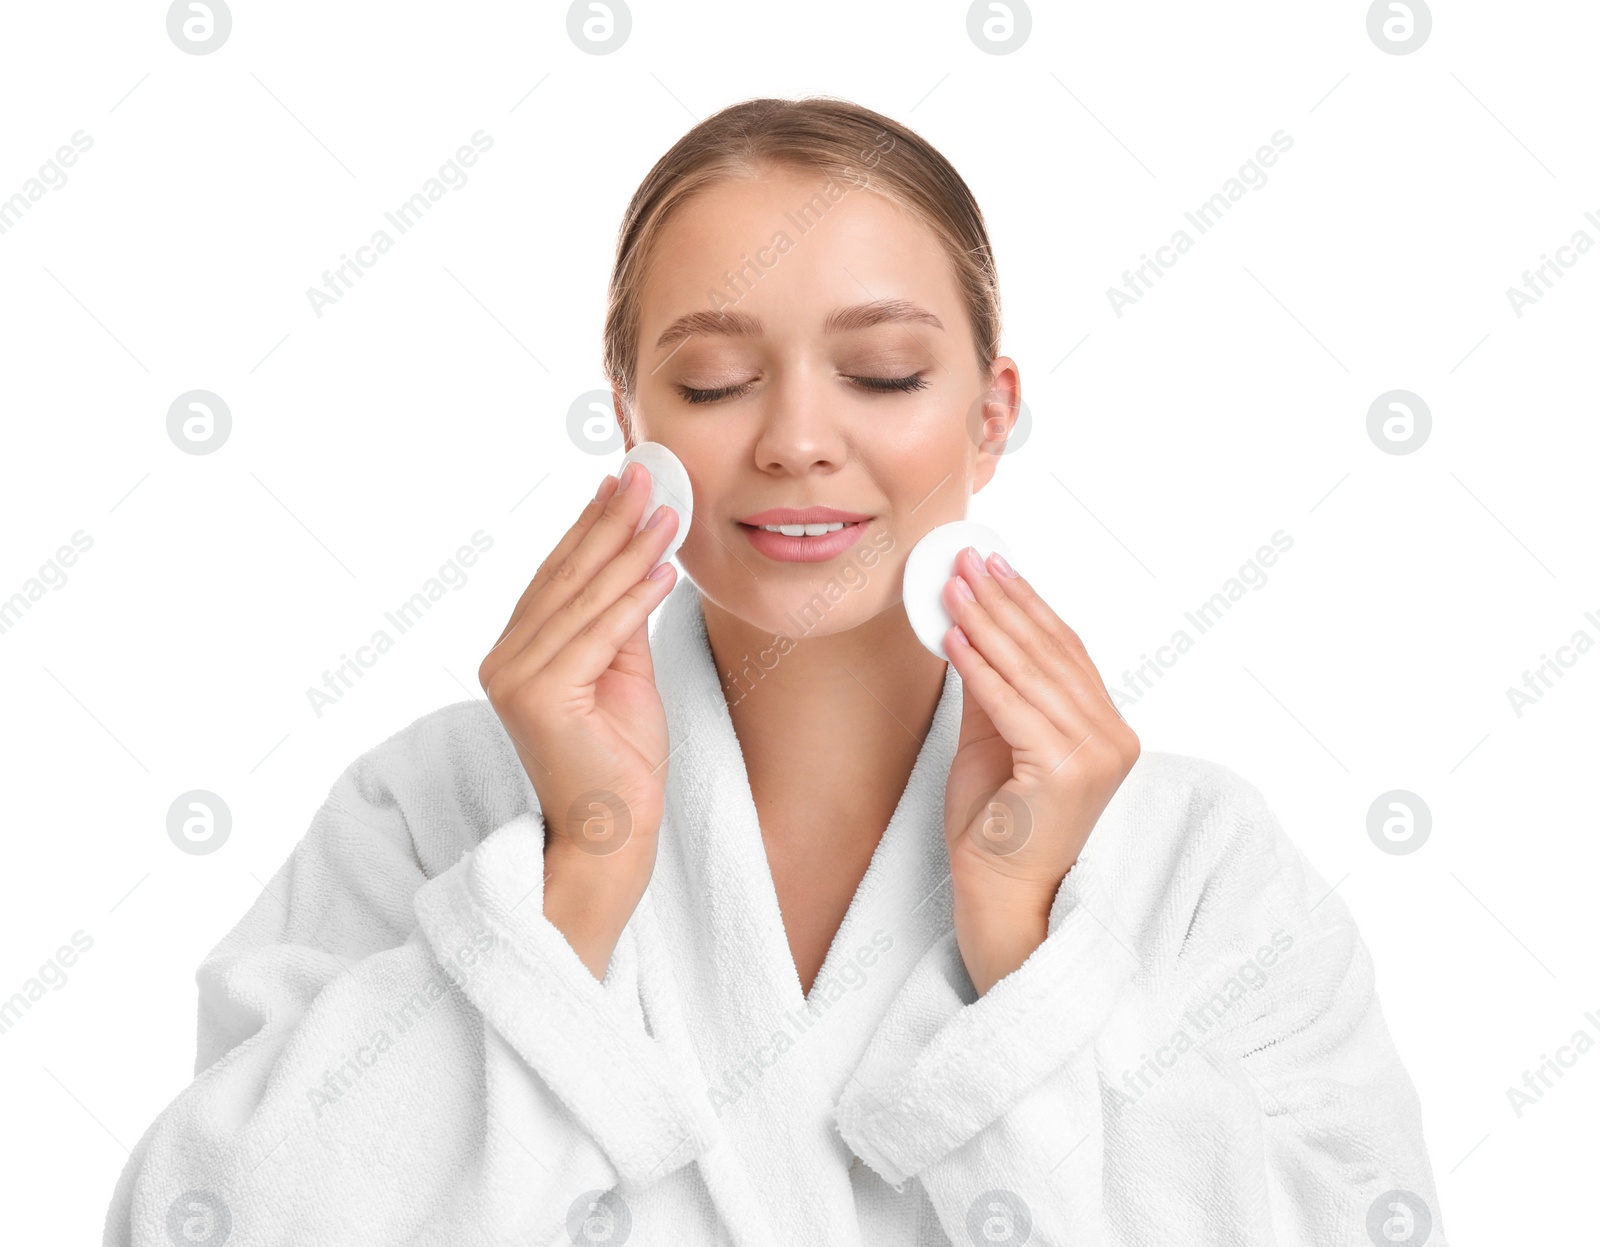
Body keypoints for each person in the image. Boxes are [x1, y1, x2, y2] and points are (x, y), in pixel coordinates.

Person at [104, 96, 1448, 1247]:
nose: (799, 438)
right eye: (712, 384)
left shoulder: (1196, 861)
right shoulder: (432, 811)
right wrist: (565, 893)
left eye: (881, 372)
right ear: (628, 415)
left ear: (989, 415)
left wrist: (1030, 956)